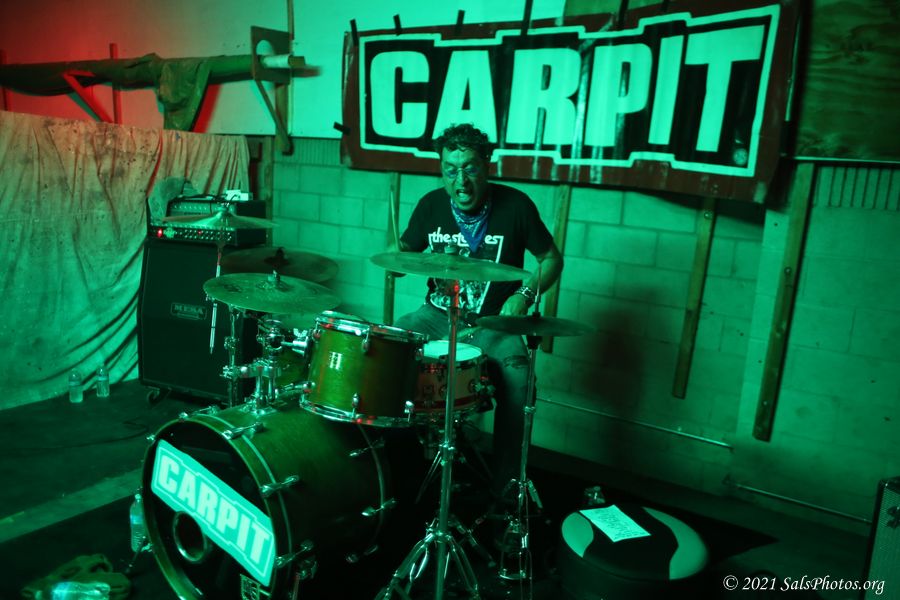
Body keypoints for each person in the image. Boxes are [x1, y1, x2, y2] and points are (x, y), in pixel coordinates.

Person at [392, 123, 563, 506]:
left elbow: (551, 259)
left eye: (470, 168)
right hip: (436, 315)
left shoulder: (516, 206)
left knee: (520, 380)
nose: (461, 181)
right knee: (391, 346)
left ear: (487, 165)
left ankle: (505, 490)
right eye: (450, 170)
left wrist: (524, 294)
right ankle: (397, 470)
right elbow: (400, 257)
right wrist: (394, 256)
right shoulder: (431, 205)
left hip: (493, 324)